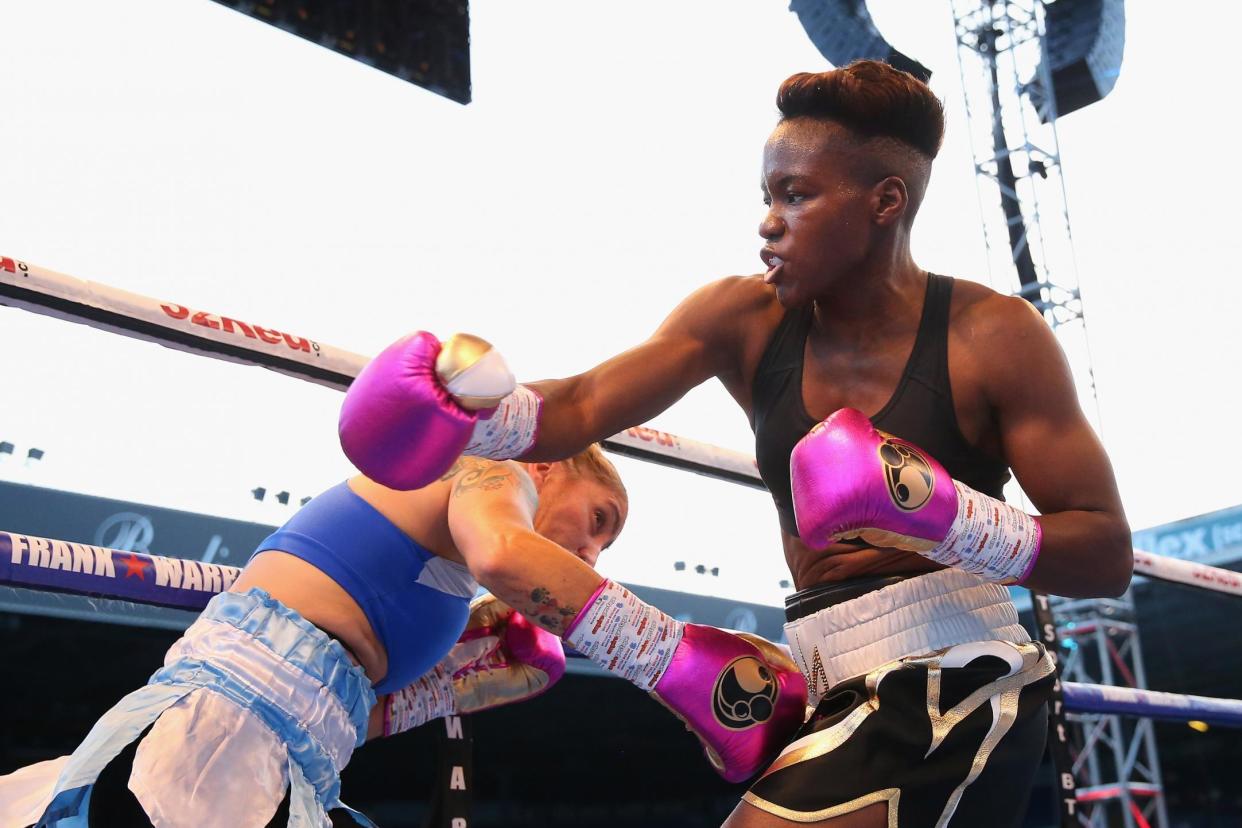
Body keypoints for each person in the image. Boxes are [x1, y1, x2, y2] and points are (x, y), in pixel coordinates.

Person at [339, 60, 1133, 827]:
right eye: (767, 196)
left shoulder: (992, 336)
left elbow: (1103, 554)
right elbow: (581, 403)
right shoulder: (743, 320)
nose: (768, 222)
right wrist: (464, 406)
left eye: (796, 195)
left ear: (883, 202)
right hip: (830, 676)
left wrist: (942, 511)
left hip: (957, 673)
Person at [1, 446, 625, 827]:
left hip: (293, 760)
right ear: (547, 467)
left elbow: (349, 716)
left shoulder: (451, 581)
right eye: (599, 520)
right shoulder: (492, 471)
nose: (592, 553)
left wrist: (457, 688)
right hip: (229, 722)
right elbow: (501, 557)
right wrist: (659, 654)